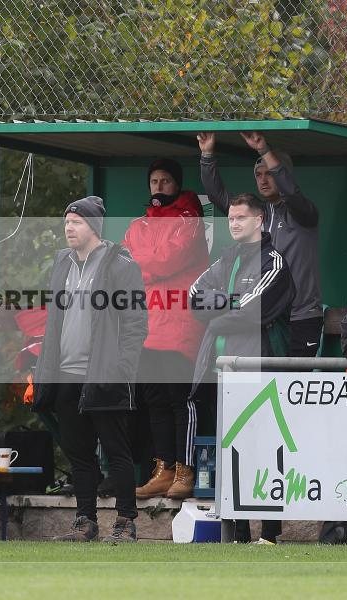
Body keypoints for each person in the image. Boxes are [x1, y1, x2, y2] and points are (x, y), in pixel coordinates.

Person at [32, 196, 148, 543]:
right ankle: (85, 522)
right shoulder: (62, 264)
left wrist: (122, 367)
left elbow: (135, 322)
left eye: (77, 222)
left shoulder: (120, 264)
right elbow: (54, 322)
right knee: (78, 453)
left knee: (117, 451)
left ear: (94, 227)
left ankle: (126, 521)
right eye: (67, 221)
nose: (69, 227)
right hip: (66, 373)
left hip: (103, 373)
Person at [188, 192, 294, 545]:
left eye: (241, 218)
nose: (234, 224)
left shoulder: (274, 261)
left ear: (259, 220)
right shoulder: (226, 257)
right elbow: (193, 295)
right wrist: (225, 310)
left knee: (265, 449)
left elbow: (255, 309)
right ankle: (238, 533)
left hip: (258, 368)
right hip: (220, 372)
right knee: (231, 449)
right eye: (231, 218)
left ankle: (269, 533)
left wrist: (218, 318)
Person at [123, 159, 208, 500]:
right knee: (154, 398)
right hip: (147, 325)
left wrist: (147, 263)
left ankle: (186, 470)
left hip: (179, 322)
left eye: (166, 181)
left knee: (179, 399)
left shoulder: (189, 219)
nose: (159, 186)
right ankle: (164, 469)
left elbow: (167, 260)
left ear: (177, 185)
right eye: (154, 180)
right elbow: (126, 264)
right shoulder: (138, 225)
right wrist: (149, 263)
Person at [198, 131, 323, 357]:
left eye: (269, 173)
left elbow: (292, 193)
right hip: (264, 318)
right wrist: (207, 156)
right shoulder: (256, 215)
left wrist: (264, 150)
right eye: (258, 174)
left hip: (299, 317)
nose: (263, 180)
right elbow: (219, 197)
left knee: (291, 387)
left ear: (283, 175)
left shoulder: (302, 212)